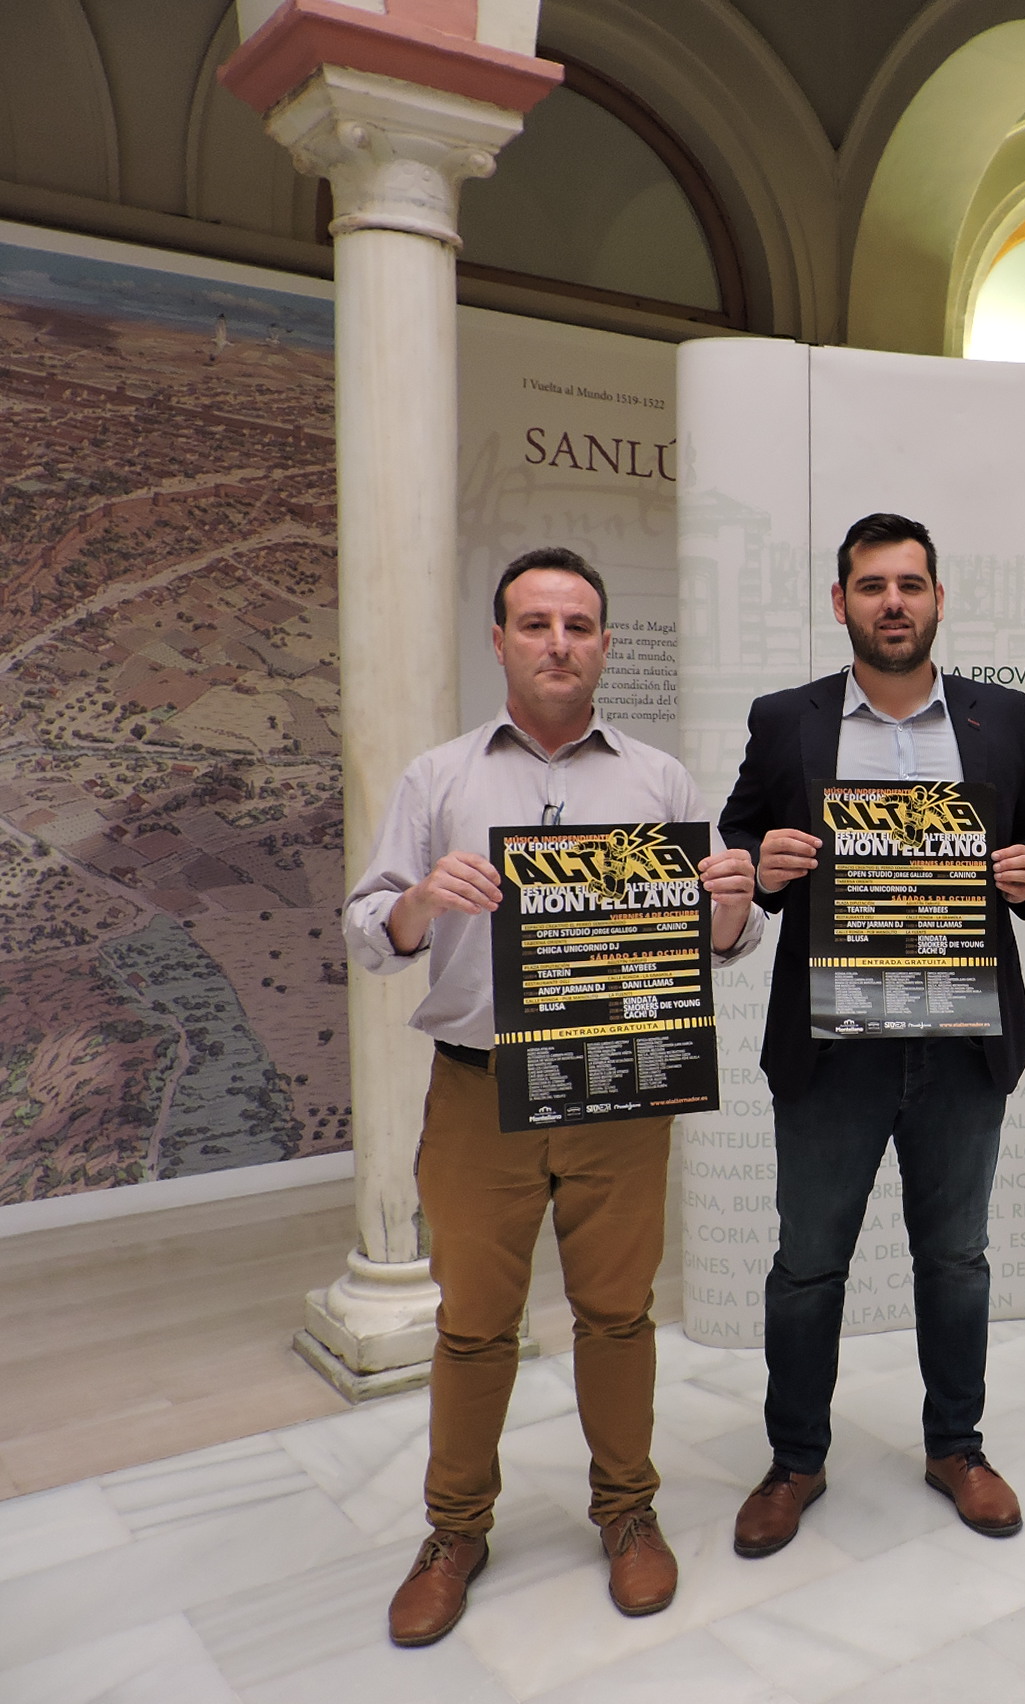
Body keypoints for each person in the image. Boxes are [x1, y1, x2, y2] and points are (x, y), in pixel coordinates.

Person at [345, 547, 761, 1646]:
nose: (558, 644)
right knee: (474, 1325)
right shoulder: (439, 778)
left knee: (618, 1313)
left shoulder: (660, 781)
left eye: (578, 625)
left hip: (621, 1091)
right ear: (499, 641)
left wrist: (730, 905)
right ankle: (454, 1531)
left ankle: (627, 1511)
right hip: (479, 1092)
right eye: (535, 624)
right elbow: (368, 930)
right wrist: (421, 902)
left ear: (606, 645)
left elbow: (721, 942)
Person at [719, 512, 1025, 1556]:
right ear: (842, 603)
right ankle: (794, 1460)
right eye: (872, 586)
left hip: (961, 1037)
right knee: (807, 1266)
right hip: (831, 1045)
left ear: (938, 599)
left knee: (956, 1260)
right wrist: (762, 866)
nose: (893, 603)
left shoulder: (1001, 716)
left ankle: (956, 1447)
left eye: (910, 584)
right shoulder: (785, 721)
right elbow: (738, 834)